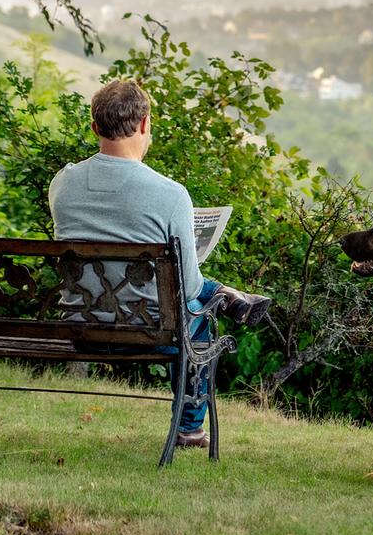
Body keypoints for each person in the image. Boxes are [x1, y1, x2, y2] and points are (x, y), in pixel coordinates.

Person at [48, 80, 270, 449]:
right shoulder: (169, 194)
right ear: (145, 124)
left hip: (82, 324)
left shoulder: (63, 183)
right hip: (150, 329)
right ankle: (189, 427)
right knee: (202, 305)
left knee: (199, 297)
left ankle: (232, 296)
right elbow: (190, 288)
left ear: (94, 127)